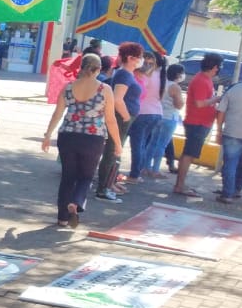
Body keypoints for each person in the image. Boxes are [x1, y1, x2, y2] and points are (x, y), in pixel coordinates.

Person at [41, 53, 122, 227]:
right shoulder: (104, 89)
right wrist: (118, 143)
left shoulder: (68, 87)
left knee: (67, 177)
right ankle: (76, 202)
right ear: (98, 69)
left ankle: (62, 218)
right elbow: (111, 120)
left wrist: (47, 135)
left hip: (67, 136)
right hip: (93, 139)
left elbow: (58, 113)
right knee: (86, 177)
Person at [95, 42, 143, 201]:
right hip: (121, 118)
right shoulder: (124, 74)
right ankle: (103, 189)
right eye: (138, 57)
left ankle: (107, 186)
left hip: (122, 117)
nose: (140, 61)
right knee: (113, 151)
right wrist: (127, 116)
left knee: (114, 151)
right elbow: (117, 99)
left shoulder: (125, 74)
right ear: (130, 58)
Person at [173, 53, 222, 198]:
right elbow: (199, 103)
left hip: (200, 123)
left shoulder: (205, 79)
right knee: (189, 155)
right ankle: (180, 186)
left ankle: (180, 184)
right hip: (197, 123)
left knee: (189, 154)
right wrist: (216, 99)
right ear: (214, 67)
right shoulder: (201, 80)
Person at [128, 51, 165, 182]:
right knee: (143, 144)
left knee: (137, 145)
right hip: (157, 113)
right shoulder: (160, 75)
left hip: (142, 112)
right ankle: (139, 171)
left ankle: (134, 174)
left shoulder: (144, 75)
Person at [149, 63, 185, 178]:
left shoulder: (162, 82)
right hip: (170, 117)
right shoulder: (175, 87)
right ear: (178, 74)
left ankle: (146, 167)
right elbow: (179, 105)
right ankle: (155, 170)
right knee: (161, 145)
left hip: (158, 114)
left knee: (152, 143)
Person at [216, 79, 242, 203]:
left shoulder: (233, 89)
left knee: (230, 163)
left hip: (233, 132)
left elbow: (221, 111)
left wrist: (218, 130)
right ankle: (237, 189)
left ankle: (227, 194)